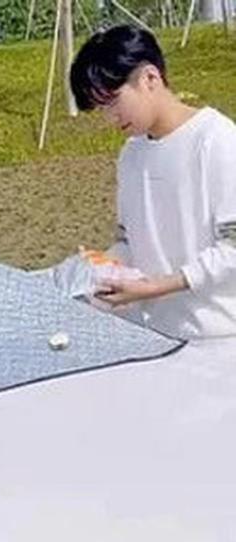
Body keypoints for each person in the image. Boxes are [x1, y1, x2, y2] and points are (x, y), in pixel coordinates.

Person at [69, 25, 236, 341]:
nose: (110, 117)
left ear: (150, 78)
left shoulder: (215, 139)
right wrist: (98, 266)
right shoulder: (132, 154)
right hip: (155, 334)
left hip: (218, 336)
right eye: (102, 108)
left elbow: (233, 247)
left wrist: (155, 287)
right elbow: (128, 240)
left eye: (113, 101)